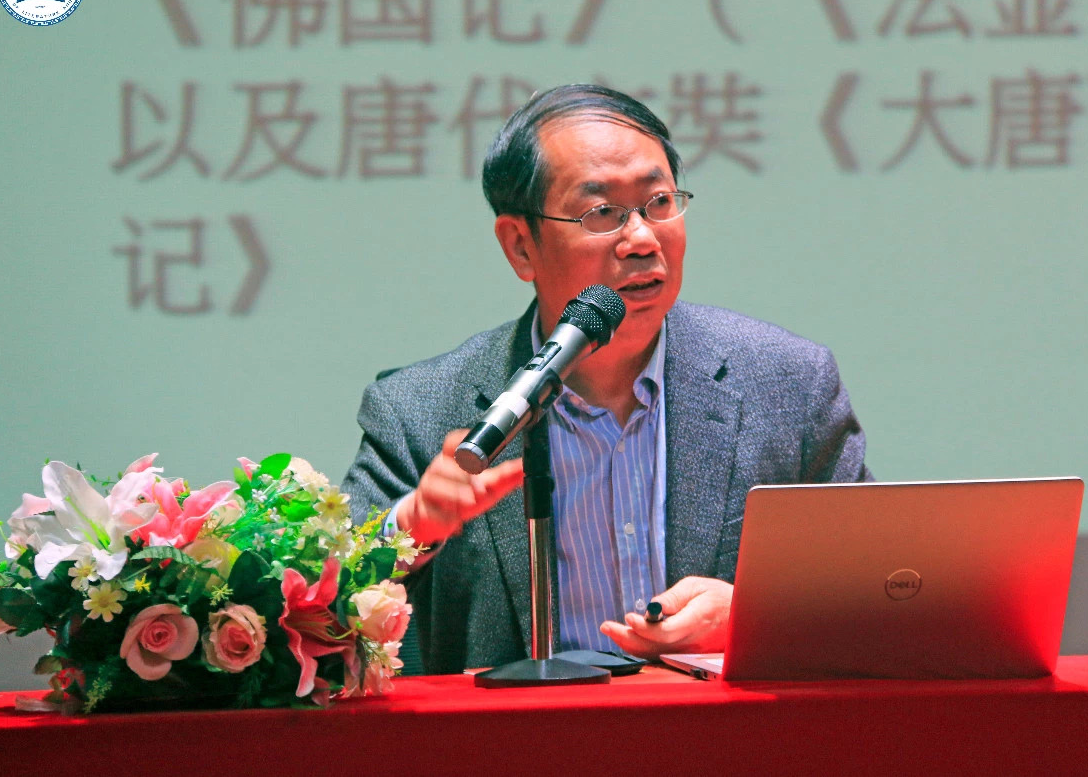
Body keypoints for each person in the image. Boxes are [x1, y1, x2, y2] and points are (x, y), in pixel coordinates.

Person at [342, 84, 871, 674]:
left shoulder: (789, 385)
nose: (642, 239)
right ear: (521, 246)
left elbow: (878, 590)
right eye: (601, 214)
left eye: (659, 202)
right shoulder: (419, 411)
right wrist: (410, 528)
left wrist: (756, 615)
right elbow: (321, 610)